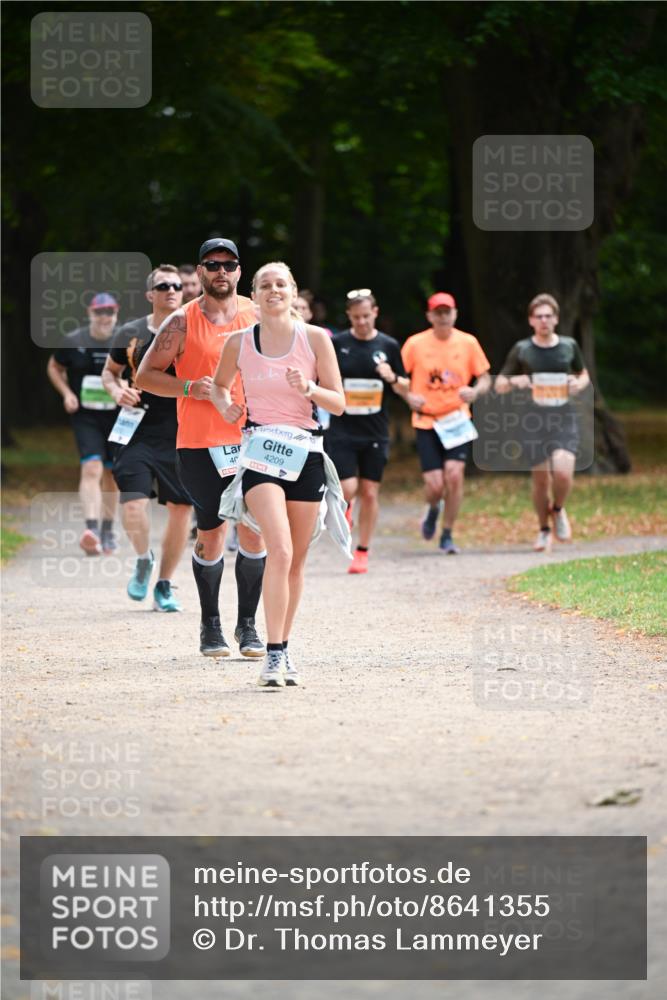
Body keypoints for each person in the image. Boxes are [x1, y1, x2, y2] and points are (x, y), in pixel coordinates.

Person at [211, 261, 345, 688]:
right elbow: (217, 385)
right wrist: (224, 405)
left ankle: (283, 647)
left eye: (281, 284)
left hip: (306, 452)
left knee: (297, 561)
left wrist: (309, 389)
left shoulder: (315, 339)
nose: (273, 291)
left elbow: (339, 403)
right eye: (265, 285)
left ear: (293, 291)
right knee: (280, 550)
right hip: (260, 453)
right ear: (255, 293)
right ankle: (272, 655)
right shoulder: (239, 342)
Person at [136, 238, 266, 658]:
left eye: (229, 264)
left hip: (254, 440)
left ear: (240, 272)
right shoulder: (181, 321)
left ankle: (247, 626)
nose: (221, 271)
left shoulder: (258, 314)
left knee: (254, 531)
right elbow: (144, 376)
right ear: (201, 271)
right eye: (213, 264)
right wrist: (190, 387)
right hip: (200, 444)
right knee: (211, 535)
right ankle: (210, 625)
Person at [102, 265, 192, 611]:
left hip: (181, 429)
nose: (171, 290)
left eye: (177, 286)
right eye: (163, 286)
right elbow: (109, 374)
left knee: (182, 508)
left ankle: (165, 585)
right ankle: (143, 558)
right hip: (136, 429)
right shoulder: (131, 332)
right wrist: (116, 391)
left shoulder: (195, 329)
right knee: (133, 503)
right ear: (150, 295)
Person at [328, 289, 421, 574]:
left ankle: (362, 551)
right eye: (356, 317)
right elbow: (322, 377)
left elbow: (405, 385)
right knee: (347, 488)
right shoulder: (338, 344)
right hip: (343, 427)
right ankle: (346, 508)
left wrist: (392, 377)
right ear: (348, 317)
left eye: (366, 316)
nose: (361, 322)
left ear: (375, 313)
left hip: (375, 430)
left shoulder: (389, 345)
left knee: (370, 492)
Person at [495, 293, 590, 551]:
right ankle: (543, 530)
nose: (544, 320)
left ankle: (558, 509)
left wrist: (577, 384)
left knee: (562, 471)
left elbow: (583, 375)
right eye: (539, 316)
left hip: (563, 416)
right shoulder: (522, 349)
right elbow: (500, 384)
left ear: (556, 319)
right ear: (531, 320)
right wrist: (517, 381)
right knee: (540, 480)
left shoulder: (569, 346)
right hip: (533, 420)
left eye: (549, 316)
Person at [401, 292, 491, 554]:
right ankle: (432, 509)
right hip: (426, 421)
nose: (442, 316)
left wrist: (475, 392)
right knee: (435, 484)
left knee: (454, 476)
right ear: (429, 316)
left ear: (455, 314)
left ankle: (448, 534)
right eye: (437, 312)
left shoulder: (468, 342)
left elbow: (485, 377)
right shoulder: (415, 344)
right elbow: (397, 377)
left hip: (456, 419)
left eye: (447, 311)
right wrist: (408, 396)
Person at [46, 293, 120, 556]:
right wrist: (66, 393)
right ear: (90, 313)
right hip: (86, 416)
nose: (104, 317)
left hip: (117, 416)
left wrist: (127, 388)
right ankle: (91, 530)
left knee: (112, 475)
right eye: (99, 312)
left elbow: (140, 372)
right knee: (91, 468)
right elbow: (54, 366)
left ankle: (108, 530)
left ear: (116, 313)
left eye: (109, 312)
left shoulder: (124, 341)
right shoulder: (73, 341)